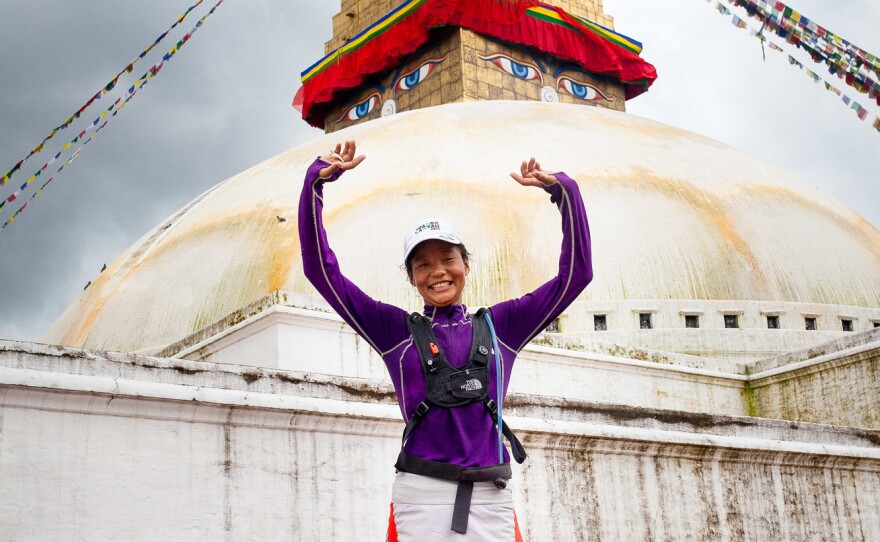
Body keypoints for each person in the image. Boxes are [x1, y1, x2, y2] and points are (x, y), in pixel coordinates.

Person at [298, 140, 592, 541]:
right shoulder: (395, 333)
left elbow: (576, 276)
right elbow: (321, 273)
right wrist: (313, 185)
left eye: (448, 259)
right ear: (412, 277)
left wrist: (565, 193)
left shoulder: (502, 326)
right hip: (420, 495)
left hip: (491, 495)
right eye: (423, 264)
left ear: (465, 265)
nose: (438, 271)